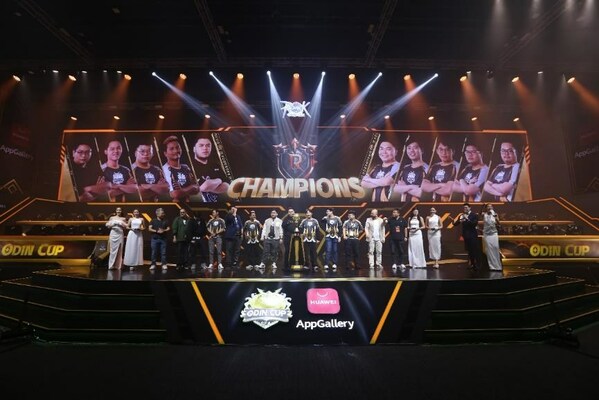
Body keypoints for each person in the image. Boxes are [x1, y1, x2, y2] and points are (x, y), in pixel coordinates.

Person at [191, 136, 229, 202]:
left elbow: (227, 185)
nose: (205, 148)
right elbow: (204, 187)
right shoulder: (189, 166)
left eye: (208, 146)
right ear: (194, 149)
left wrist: (211, 185)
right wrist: (219, 180)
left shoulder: (215, 165)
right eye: (201, 145)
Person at [162, 136, 199, 202]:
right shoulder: (165, 169)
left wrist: (182, 190)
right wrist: (191, 188)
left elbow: (197, 189)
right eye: (171, 149)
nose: (176, 151)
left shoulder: (186, 167)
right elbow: (175, 194)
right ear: (165, 153)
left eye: (177, 147)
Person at [453, 203, 480, 270]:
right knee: (469, 250)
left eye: (466, 207)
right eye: (464, 208)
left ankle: (477, 264)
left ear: (470, 208)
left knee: (474, 250)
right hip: (466, 235)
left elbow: (474, 224)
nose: (465, 209)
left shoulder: (474, 215)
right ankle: (472, 264)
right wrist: (454, 222)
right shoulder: (462, 215)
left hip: (472, 235)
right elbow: (456, 223)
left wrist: (467, 219)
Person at [482, 204, 503, 271]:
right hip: (487, 234)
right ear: (486, 208)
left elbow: (499, 223)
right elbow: (479, 214)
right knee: (489, 250)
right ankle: (492, 266)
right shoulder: (484, 214)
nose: (490, 207)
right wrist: (482, 207)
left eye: (491, 206)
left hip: (494, 233)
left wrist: (496, 218)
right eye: (488, 206)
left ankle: (498, 266)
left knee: (496, 247)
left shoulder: (495, 214)